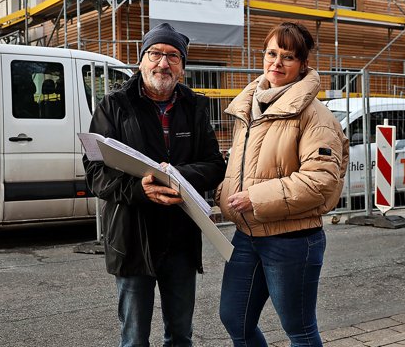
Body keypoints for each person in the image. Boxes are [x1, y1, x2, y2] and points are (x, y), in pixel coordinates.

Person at [84, 22, 227, 347]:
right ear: (141, 61)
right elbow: (95, 172)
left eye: (173, 56)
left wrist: (177, 175)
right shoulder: (114, 106)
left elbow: (214, 165)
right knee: (134, 339)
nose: (163, 63)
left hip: (181, 239)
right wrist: (140, 189)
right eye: (155, 53)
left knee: (180, 336)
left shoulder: (194, 107)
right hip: (132, 239)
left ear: (182, 67)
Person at [217, 22, 348, 346]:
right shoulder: (251, 106)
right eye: (271, 53)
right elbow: (245, 168)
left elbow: (320, 181)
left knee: (299, 330)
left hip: (292, 239)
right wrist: (223, 195)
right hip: (247, 234)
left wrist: (254, 197)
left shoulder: (314, 116)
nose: (276, 62)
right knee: (235, 319)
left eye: (287, 57)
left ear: (302, 64)